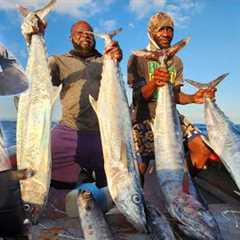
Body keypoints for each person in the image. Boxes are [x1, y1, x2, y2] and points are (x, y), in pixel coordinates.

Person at [25, 19, 122, 189]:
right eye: (80, 32)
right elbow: (40, 77)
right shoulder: (58, 60)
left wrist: (115, 58)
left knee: (113, 183)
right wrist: (33, 38)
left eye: (90, 33)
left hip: (104, 132)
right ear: (70, 37)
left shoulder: (106, 60)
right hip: (68, 130)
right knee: (42, 171)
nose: (85, 35)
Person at [128, 12, 218, 184]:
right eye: (161, 29)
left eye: (170, 30)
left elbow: (175, 95)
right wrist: (154, 82)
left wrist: (193, 98)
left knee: (202, 150)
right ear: (152, 32)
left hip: (171, 114)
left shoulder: (176, 61)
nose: (167, 34)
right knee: (140, 165)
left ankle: (182, 188)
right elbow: (137, 97)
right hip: (144, 116)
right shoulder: (136, 59)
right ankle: (138, 202)